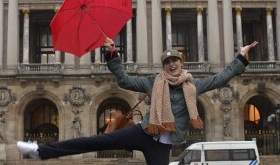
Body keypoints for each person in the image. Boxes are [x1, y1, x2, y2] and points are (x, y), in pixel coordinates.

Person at [17, 39, 258, 165]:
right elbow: (124, 80)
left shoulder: (193, 86)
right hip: (143, 132)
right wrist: (112, 54)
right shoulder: (154, 81)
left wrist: (240, 58)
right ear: (164, 66)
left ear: (181, 63)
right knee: (93, 141)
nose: (172, 64)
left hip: (162, 145)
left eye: (175, 61)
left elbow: (221, 78)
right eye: (167, 62)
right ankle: (40, 151)